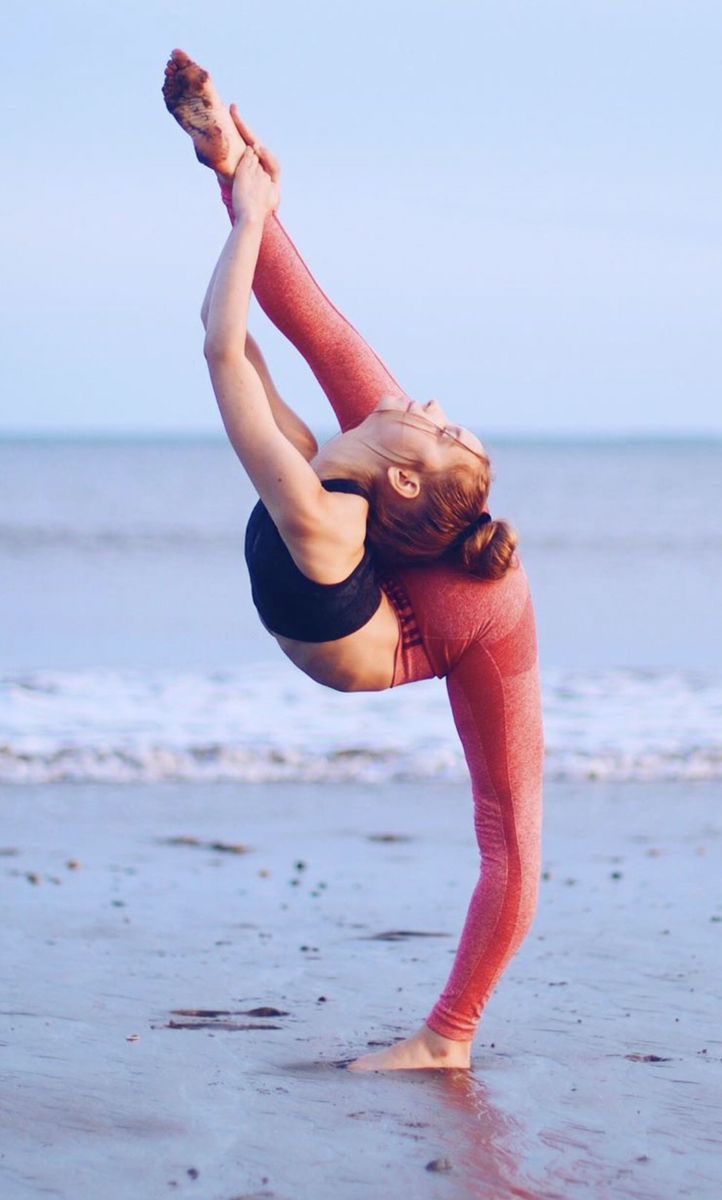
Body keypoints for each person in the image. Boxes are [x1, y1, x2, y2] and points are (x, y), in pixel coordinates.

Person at [163, 49, 544, 1072]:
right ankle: (219, 136)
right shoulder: (342, 465)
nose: (428, 403)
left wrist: (249, 222)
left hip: (455, 616)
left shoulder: (325, 515)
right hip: (414, 545)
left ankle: (446, 1041)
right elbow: (262, 334)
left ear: (408, 487)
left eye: (441, 427)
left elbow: (218, 346)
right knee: (346, 361)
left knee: (510, 836)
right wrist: (226, 164)